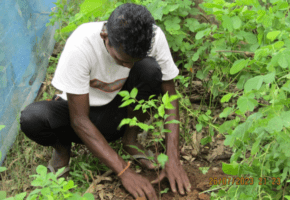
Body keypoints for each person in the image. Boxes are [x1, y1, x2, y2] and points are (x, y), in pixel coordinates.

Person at [20, 3, 191, 200]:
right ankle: (62, 148)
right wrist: (124, 171)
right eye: (122, 60)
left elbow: (170, 95)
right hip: (83, 117)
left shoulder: (153, 36)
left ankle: (130, 139)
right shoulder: (81, 44)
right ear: (105, 36)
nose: (128, 66)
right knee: (32, 118)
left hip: (120, 113)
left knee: (149, 69)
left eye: (134, 60)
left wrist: (173, 158)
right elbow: (79, 121)